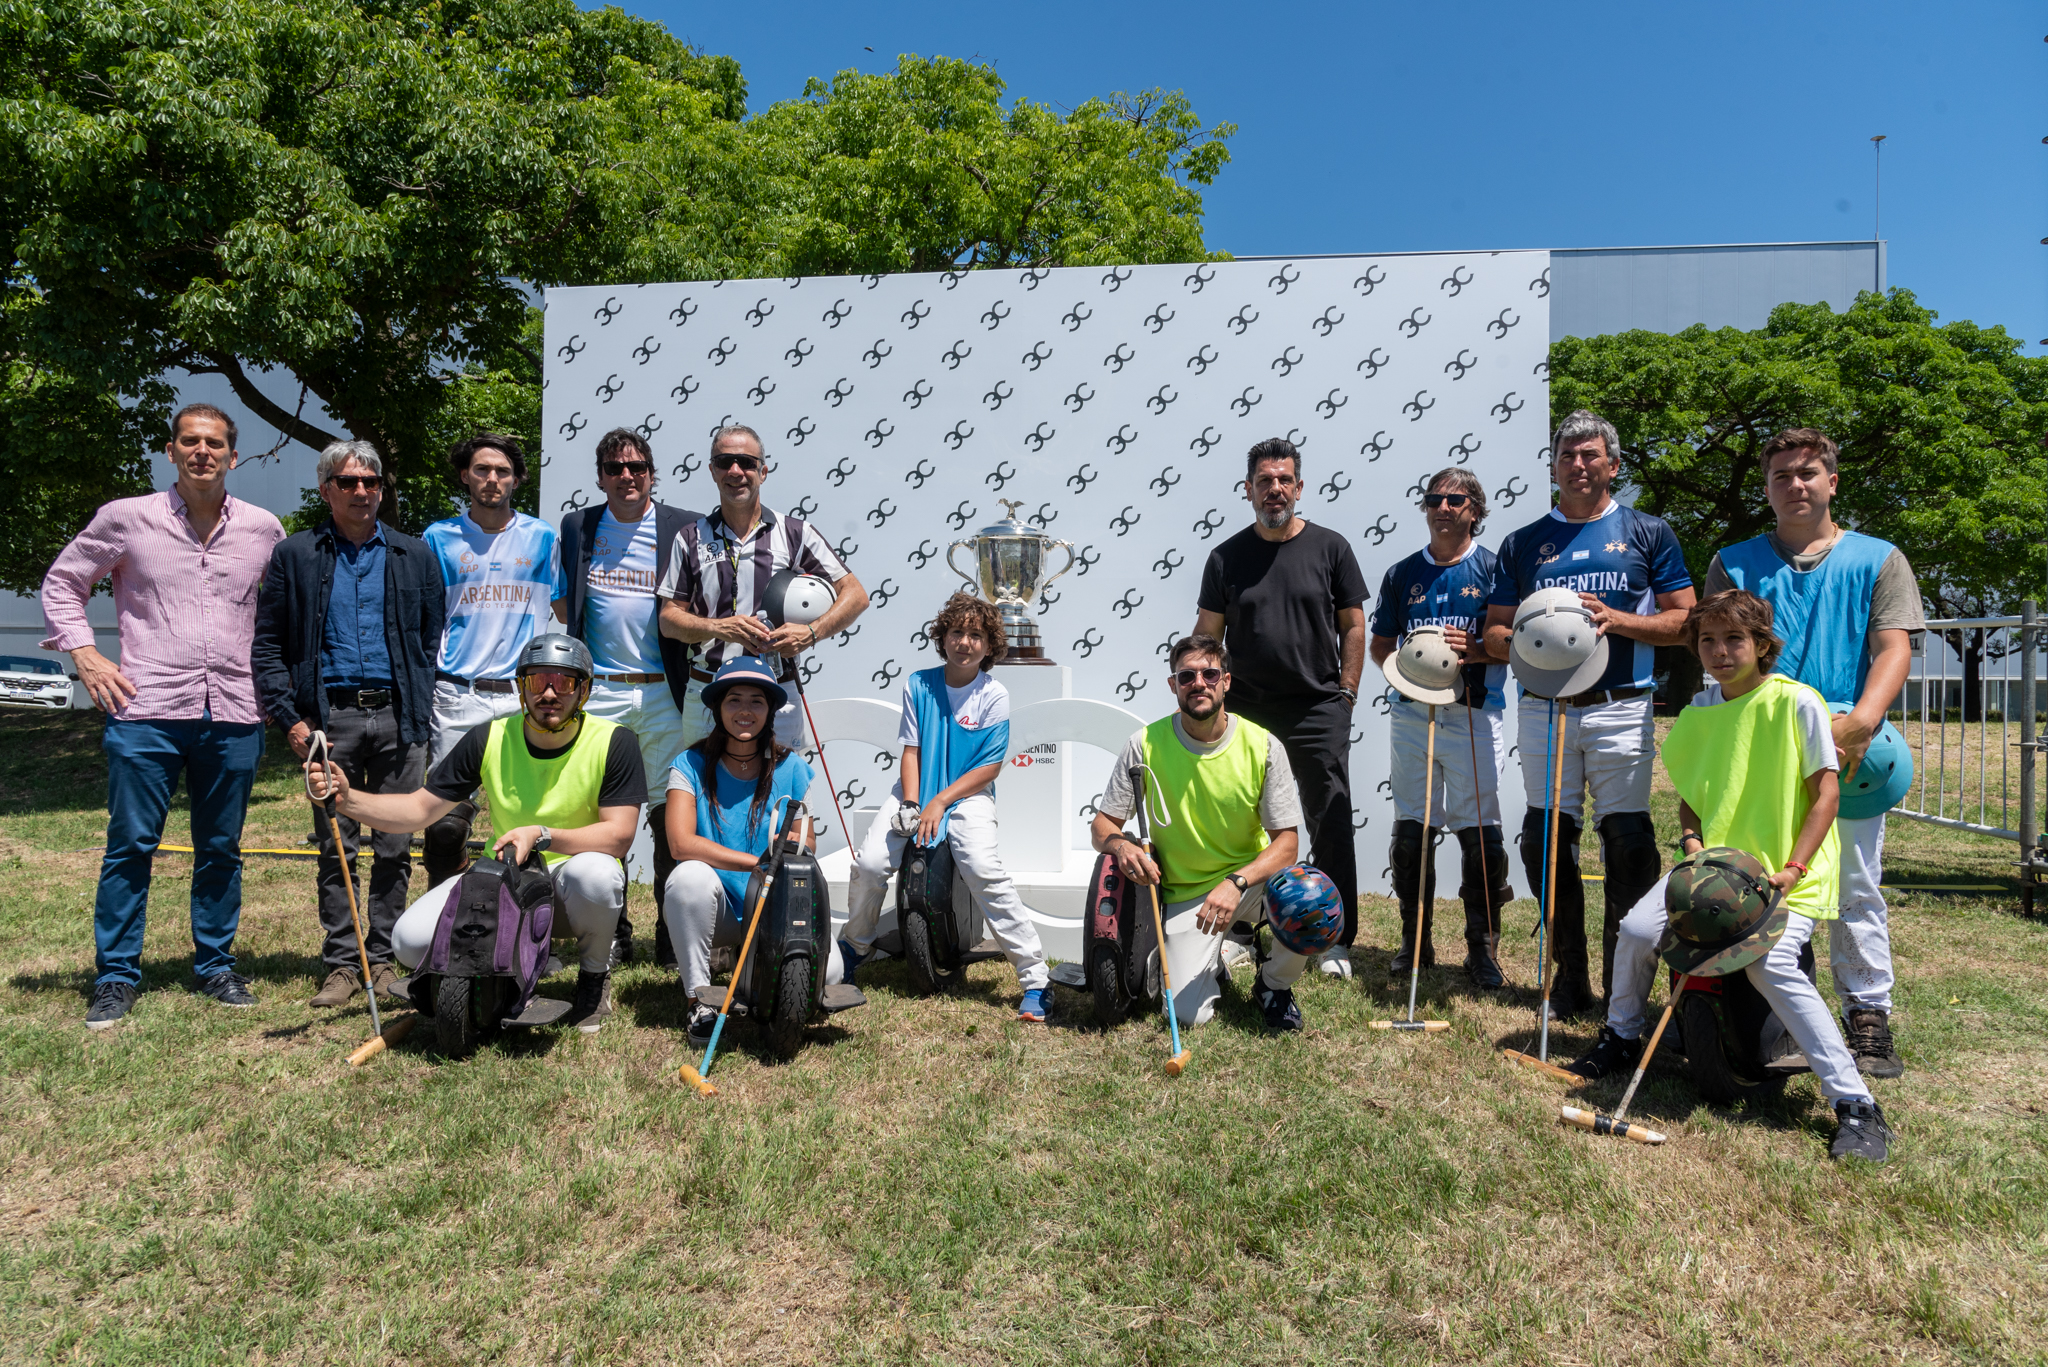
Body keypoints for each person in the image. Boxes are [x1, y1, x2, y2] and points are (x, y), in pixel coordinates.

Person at [1565, 590, 1891, 1163]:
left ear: (1762, 645)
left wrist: (1791, 870)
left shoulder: (1798, 703)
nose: (1719, 651)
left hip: (1789, 874)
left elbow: (1826, 795)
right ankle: (1620, 1036)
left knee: (1770, 963)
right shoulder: (1698, 712)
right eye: (1707, 640)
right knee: (1638, 931)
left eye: (1734, 639)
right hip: (1713, 876)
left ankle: (1855, 1104)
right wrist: (1692, 843)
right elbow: (1694, 797)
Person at [41, 403, 285, 1028]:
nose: (202, 452)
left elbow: (283, 614)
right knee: (130, 845)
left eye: (215, 443)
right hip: (144, 706)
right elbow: (64, 581)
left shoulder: (263, 529)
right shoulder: (127, 519)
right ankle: (117, 975)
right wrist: (86, 655)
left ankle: (216, 966)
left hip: (233, 709)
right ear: (172, 451)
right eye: (189, 442)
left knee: (222, 848)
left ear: (235, 455)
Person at [1702, 427, 1923, 1078]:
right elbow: (1719, 647)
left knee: (1853, 883)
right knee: (1765, 880)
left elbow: (1893, 647)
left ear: (1832, 480)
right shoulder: (1734, 561)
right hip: (1763, 743)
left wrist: (1862, 720)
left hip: (1848, 745)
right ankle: (1773, 1024)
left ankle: (1868, 1014)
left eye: (1807, 473)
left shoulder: (1879, 559)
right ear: (1767, 489)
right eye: (1781, 476)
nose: (1795, 484)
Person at [305, 634, 644, 1034]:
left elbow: (619, 836)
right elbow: (417, 810)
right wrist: (346, 800)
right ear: (522, 688)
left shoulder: (614, 740)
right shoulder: (491, 737)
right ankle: (511, 963)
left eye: (563, 682)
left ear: (582, 690)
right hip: (513, 885)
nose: (549, 693)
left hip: (575, 891)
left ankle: (593, 978)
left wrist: (541, 834)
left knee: (597, 874)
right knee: (408, 942)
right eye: (537, 681)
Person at [1482, 410, 1697, 1018]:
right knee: (1546, 842)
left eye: (1590, 455)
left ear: (1614, 464)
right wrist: (1522, 638)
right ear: (1553, 467)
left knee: (1628, 843)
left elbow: (1688, 621)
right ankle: (1569, 976)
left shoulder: (1648, 533)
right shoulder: (1522, 542)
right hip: (1544, 711)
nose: (1579, 465)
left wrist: (1619, 620)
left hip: (1621, 705)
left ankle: (1620, 982)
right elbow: (1495, 632)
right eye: (1568, 456)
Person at [251, 439, 444, 1009]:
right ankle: (341, 962)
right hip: (327, 721)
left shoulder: (414, 555)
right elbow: (267, 646)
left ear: (382, 490)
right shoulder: (296, 555)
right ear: (326, 490)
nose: (362, 491)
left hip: (399, 716)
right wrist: (289, 720)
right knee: (337, 845)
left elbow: (431, 637)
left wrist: (420, 700)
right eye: (348, 482)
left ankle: (382, 959)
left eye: (371, 482)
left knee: (394, 843)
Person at [1193, 437, 1367, 977]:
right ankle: (1242, 931)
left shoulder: (1331, 548)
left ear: (1299, 485)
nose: (1275, 489)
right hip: (1245, 712)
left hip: (1318, 708)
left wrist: (1348, 691)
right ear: (1248, 490)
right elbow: (1207, 633)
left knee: (1330, 819)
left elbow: (1354, 625)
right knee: (1246, 825)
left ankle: (1335, 941)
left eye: (1283, 479)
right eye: (1264, 481)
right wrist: (1206, 690)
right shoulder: (1225, 557)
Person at [837, 593, 1053, 1020]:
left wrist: (940, 801)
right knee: (870, 863)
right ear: (943, 637)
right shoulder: (918, 683)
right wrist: (914, 801)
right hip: (915, 792)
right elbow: (912, 751)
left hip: (968, 797)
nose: (965, 642)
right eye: (957, 632)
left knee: (982, 868)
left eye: (976, 634)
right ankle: (855, 946)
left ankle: (1035, 979)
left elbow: (989, 767)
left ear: (990, 646)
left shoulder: (994, 693)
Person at [1090, 634, 1308, 1031]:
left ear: (1226, 681)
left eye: (1210, 674)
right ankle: (1214, 959)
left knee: (1310, 898)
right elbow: (1102, 827)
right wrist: (1120, 847)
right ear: (1173, 685)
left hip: (1251, 884)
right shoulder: (1143, 746)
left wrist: (1236, 882)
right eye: (1187, 676)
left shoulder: (1263, 745)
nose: (1199, 684)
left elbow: (1288, 845)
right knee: (1190, 1017)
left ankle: (1274, 986)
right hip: (1187, 896)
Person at [557, 427, 705, 969]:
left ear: (651, 473)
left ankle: (673, 933)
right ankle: (612, 931)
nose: (627, 477)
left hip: (667, 693)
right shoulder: (579, 527)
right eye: (616, 469)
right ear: (600, 477)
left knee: (672, 815)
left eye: (637, 467)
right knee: (604, 815)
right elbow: (564, 607)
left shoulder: (684, 527)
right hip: (601, 696)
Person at [1368, 467, 1510, 988]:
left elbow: (1512, 644)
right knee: (1413, 829)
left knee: (1481, 833)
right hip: (1412, 713)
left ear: (1475, 508)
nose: (1443, 508)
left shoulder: (1498, 569)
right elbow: (1381, 643)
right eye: (1433, 499)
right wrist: (1409, 669)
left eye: (1455, 500)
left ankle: (1482, 947)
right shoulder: (1402, 572)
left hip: (1474, 709)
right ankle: (1415, 940)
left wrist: (1472, 651)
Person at [656, 423, 868, 755]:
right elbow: (669, 620)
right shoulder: (690, 537)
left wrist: (811, 632)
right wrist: (718, 628)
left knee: (785, 801)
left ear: (763, 471)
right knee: (704, 801)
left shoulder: (795, 532)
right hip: (708, 690)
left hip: (775, 691)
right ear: (712, 471)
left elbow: (855, 595)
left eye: (746, 462)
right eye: (725, 462)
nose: (736, 471)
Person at [420, 433, 567, 891]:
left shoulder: (543, 538)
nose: (492, 479)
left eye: (502, 471)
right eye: (482, 470)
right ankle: (441, 922)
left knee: (528, 822)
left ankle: (526, 928)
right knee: (444, 823)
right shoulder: (437, 537)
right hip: (456, 694)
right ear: (465, 475)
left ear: (517, 479)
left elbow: (565, 612)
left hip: (521, 699)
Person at [658, 656, 817, 1045]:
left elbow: (807, 841)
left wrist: (791, 847)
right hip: (720, 909)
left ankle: (755, 967)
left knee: (826, 979)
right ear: (716, 708)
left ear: (771, 711)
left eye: (756, 702)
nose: (745, 711)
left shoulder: (792, 765)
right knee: (686, 879)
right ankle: (699, 1001)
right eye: (734, 700)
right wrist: (759, 863)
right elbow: (680, 844)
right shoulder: (689, 764)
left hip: (771, 906)